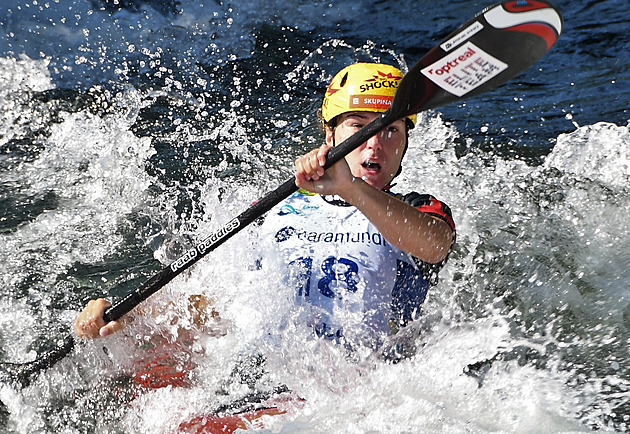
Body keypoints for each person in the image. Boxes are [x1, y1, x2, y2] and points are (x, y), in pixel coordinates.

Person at [73, 62, 455, 353]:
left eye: (391, 130)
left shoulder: (418, 210)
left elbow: (435, 245)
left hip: (369, 388)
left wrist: (350, 187)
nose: (374, 145)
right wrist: (125, 316)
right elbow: (217, 303)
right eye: (360, 128)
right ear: (330, 135)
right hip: (271, 383)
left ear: (405, 143)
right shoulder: (275, 212)